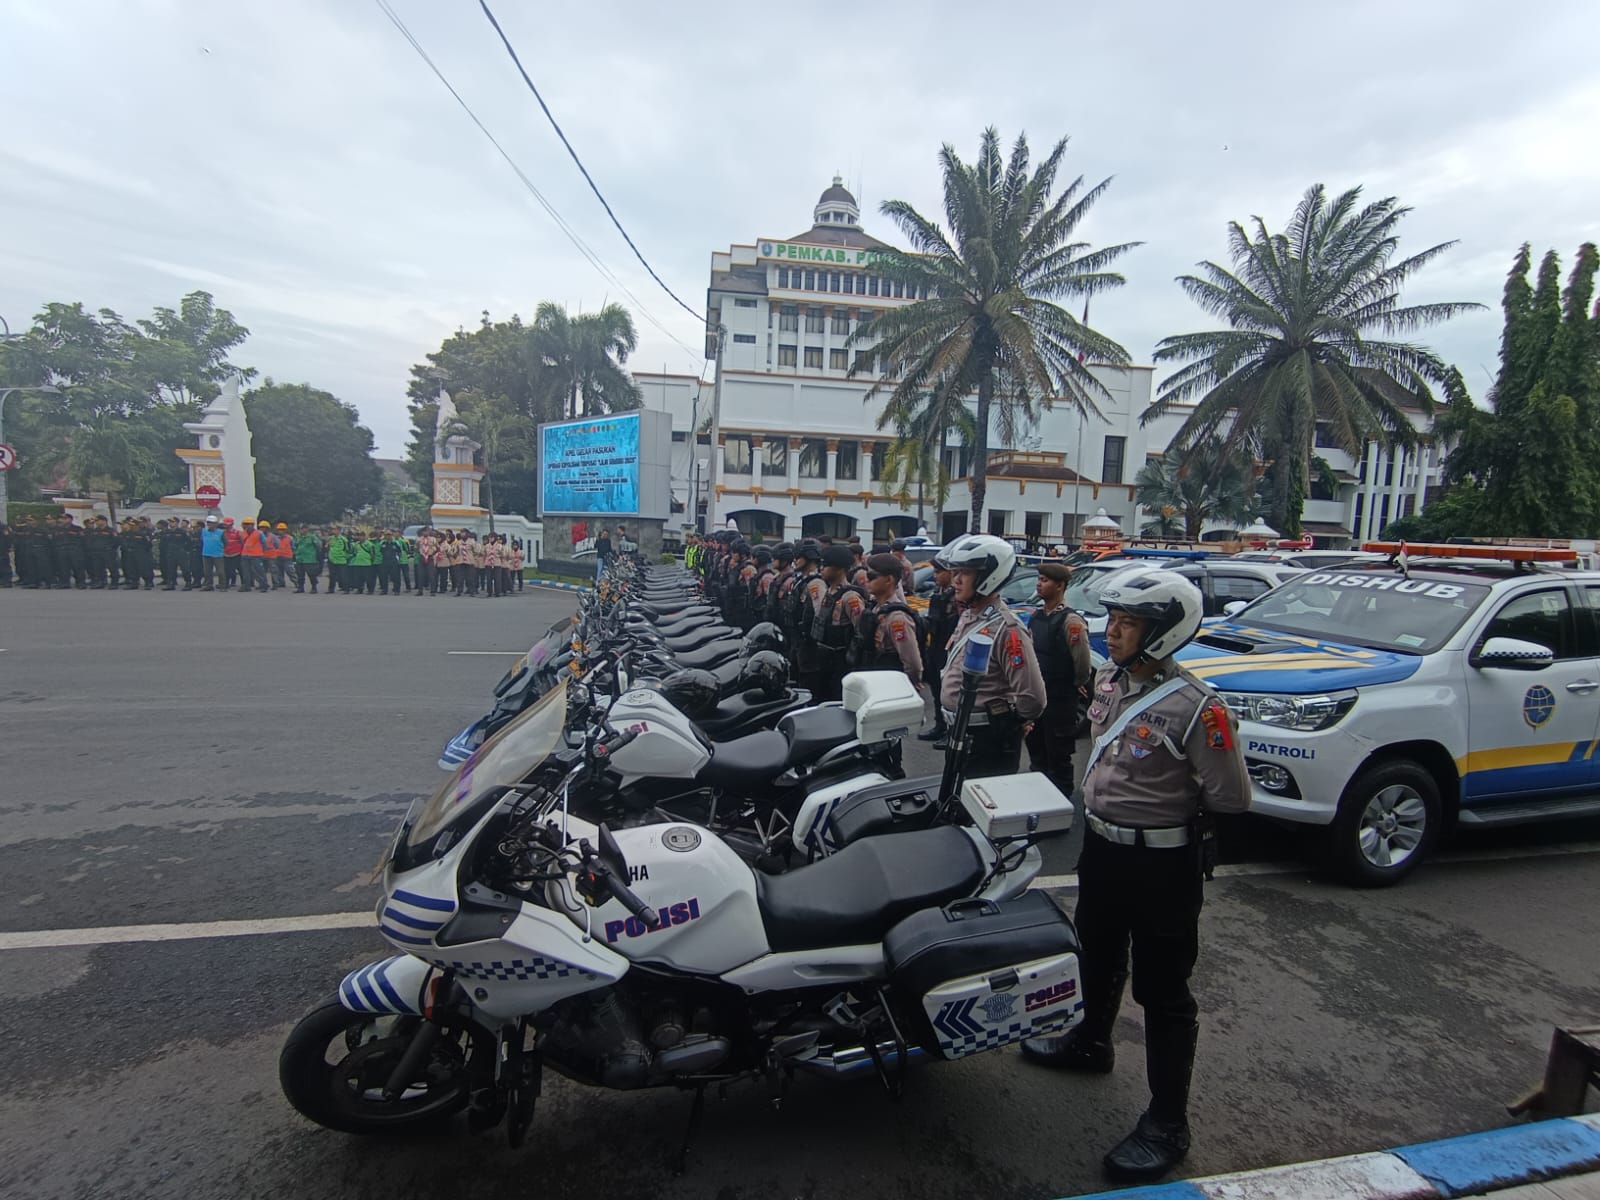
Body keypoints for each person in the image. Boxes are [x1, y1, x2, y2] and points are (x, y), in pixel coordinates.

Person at [1021, 571, 1250, 1184]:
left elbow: (1230, 796)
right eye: (1113, 617)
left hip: (1161, 865)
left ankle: (1169, 1122)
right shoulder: (1109, 681)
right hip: (1103, 849)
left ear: (1163, 631)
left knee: (1163, 991)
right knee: (1095, 951)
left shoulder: (1199, 708)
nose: (1112, 629)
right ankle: (1091, 1043)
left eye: (1128, 621)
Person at [934, 534, 1045, 777]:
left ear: (989, 576)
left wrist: (1011, 723)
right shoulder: (970, 616)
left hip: (987, 742)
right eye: (955, 571)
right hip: (961, 733)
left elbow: (1033, 697)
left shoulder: (1007, 629)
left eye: (966, 572)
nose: (956, 580)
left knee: (977, 810)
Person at [1025, 561, 1093, 799]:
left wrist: (1075, 684)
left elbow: (1082, 663)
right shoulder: (1037, 616)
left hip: (1060, 697)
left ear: (1060, 586)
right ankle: (1039, 795)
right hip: (1038, 696)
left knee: (1058, 753)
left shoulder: (1070, 621)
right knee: (1037, 749)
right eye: (1039, 579)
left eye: (1045, 581)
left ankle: (1061, 800)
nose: (1039, 584)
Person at [808, 543, 868, 702]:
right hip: (825, 658)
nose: (822, 569)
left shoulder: (850, 597)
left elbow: (861, 631)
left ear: (840, 569)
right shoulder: (829, 592)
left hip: (841, 663)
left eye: (826, 565)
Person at [854, 553, 924, 687]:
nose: (867, 580)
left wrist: (909, 685)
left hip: (890, 686)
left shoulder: (897, 618)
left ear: (889, 580)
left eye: (872, 576)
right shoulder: (875, 608)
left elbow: (913, 664)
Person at [919, 562, 959, 746]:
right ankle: (940, 726)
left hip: (948, 648)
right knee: (936, 689)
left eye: (938, 572)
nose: (935, 575)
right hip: (935, 646)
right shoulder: (938, 593)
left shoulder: (956, 596)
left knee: (949, 693)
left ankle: (952, 733)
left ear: (950, 573)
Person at [240, 519, 268, 593]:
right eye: (244, 524)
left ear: (252, 525)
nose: (246, 526)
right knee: (246, 572)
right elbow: (242, 543)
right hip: (245, 554)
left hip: (256, 555)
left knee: (259, 571)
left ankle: (264, 585)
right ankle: (246, 586)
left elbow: (264, 543)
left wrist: (262, 552)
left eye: (248, 524)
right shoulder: (242, 533)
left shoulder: (259, 533)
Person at [292, 524, 321, 593]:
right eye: (300, 529)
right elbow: (295, 545)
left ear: (307, 529)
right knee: (300, 574)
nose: (301, 530)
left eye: (303, 529)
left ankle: (314, 587)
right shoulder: (298, 537)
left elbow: (318, 545)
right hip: (300, 558)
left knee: (311, 574)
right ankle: (300, 587)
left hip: (309, 559)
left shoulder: (312, 537)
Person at [200, 515, 225, 590]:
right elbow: (201, 540)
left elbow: (226, 542)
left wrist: (221, 549)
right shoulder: (204, 531)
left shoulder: (220, 532)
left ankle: (222, 585)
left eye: (212, 523)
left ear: (216, 524)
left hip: (217, 554)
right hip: (206, 553)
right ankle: (209, 585)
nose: (210, 524)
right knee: (207, 571)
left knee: (220, 571)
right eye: (209, 523)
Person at [222, 517, 244, 591]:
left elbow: (242, 542)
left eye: (227, 524)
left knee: (241, 569)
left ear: (231, 524)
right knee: (227, 570)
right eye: (225, 524)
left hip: (237, 554)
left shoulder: (237, 532)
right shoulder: (222, 533)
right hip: (226, 554)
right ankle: (226, 584)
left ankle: (244, 584)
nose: (226, 526)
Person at [271, 522, 293, 589]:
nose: (281, 531)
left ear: (285, 530)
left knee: (290, 570)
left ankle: (297, 582)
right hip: (277, 556)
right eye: (279, 530)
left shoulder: (290, 538)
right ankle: (281, 583)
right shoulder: (275, 538)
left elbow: (293, 547)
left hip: (287, 557)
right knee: (278, 571)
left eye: (282, 530)